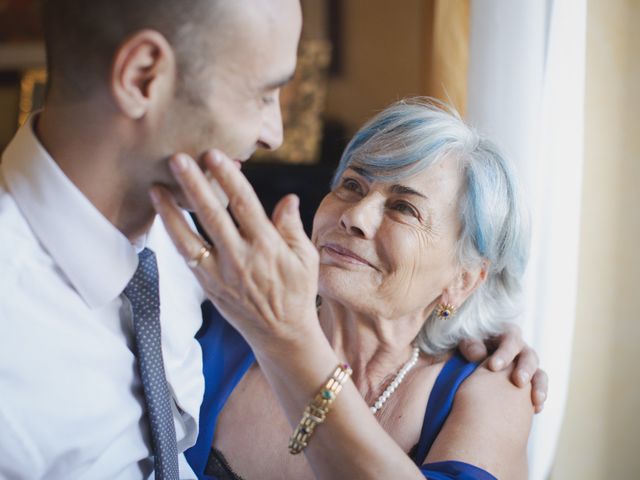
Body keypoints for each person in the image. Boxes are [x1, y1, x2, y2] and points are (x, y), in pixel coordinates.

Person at [0, 0, 545, 478]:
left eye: (404, 207)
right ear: (144, 76)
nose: (275, 134)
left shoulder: (192, 253)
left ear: (466, 278)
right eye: (264, 93)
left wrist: (484, 329)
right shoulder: (232, 317)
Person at [153, 99, 537, 479]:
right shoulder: (213, 326)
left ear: (463, 280)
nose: (355, 216)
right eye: (352, 185)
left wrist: (290, 338)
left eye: (403, 208)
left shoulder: (492, 390)